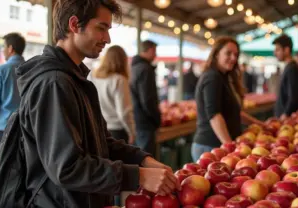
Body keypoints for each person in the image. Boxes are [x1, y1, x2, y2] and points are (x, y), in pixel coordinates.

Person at [14, 1, 179, 207]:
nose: (107, 39)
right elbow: (67, 167)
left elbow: (101, 143)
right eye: (101, 28)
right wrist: (139, 176)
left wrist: (142, 159)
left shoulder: (75, 79)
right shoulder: (54, 83)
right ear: (74, 25)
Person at [192, 37, 265, 162]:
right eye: (228, 53)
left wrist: (260, 124)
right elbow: (214, 115)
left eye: (236, 54)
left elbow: (234, 112)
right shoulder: (212, 77)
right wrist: (229, 146)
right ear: (216, 54)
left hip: (220, 146)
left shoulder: (223, 77)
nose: (233, 58)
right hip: (211, 146)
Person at [88, 45, 135, 145]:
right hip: (117, 131)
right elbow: (124, 112)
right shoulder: (119, 80)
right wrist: (132, 132)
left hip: (98, 129)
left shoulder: (93, 76)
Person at [130, 40, 161, 156]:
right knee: (147, 158)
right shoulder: (146, 69)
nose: (155, 55)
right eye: (154, 51)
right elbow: (148, 99)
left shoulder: (134, 67)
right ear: (149, 50)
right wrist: (157, 119)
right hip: (145, 122)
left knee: (138, 157)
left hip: (136, 119)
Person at [0, 33, 25, 153]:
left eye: (4, 47)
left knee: (1, 170)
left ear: (10, 48)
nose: (2, 50)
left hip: (3, 131)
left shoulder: (1, 71)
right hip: (25, 130)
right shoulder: (31, 69)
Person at [272, 34, 298, 118]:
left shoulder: (292, 69)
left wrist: (286, 114)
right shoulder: (290, 67)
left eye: (277, 50)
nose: (274, 53)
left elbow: (294, 96)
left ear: (286, 50)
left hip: (288, 120)